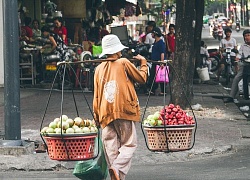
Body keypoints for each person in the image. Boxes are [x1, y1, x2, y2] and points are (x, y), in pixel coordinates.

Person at [93, 34, 147, 180]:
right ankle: (116, 169)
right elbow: (141, 78)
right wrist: (143, 63)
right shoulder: (123, 62)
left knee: (111, 146)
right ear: (117, 50)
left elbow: (96, 95)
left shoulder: (98, 69)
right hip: (123, 109)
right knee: (129, 143)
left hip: (105, 112)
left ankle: (116, 175)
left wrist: (96, 117)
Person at [224, 29, 250, 103]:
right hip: (245, 65)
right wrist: (237, 57)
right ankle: (231, 96)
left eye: (248, 35)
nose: (247, 37)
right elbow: (239, 53)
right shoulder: (243, 46)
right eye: (245, 36)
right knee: (236, 79)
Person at [147, 27, 167, 96]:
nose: (151, 35)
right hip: (154, 62)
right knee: (153, 76)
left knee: (161, 77)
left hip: (159, 62)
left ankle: (163, 91)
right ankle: (152, 90)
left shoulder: (160, 43)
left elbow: (162, 53)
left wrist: (162, 62)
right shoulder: (155, 42)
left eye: (152, 33)